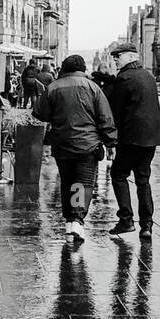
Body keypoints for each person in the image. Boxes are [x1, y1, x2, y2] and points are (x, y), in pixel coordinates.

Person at [35, 54, 117, 242]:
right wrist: (110, 141)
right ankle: (76, 220)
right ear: (82, 68)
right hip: (87, 145)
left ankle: (69, 220)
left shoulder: (53, 87)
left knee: (66, 181)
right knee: (82, 182)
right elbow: (105, 117)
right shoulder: (93, 88)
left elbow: (40, 112)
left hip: (62, 143)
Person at [106, 41, 160, 240]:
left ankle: (126, 220)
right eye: (114, 57)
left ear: (132, 56)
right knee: (143, 180)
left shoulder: (124, 78)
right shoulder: (148, 76)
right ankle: (147, 225)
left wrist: (110, 140)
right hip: (151, 138)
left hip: (131, 137)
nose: (115, 59)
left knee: (118, 174)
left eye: (119, 56)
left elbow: (115, 111)